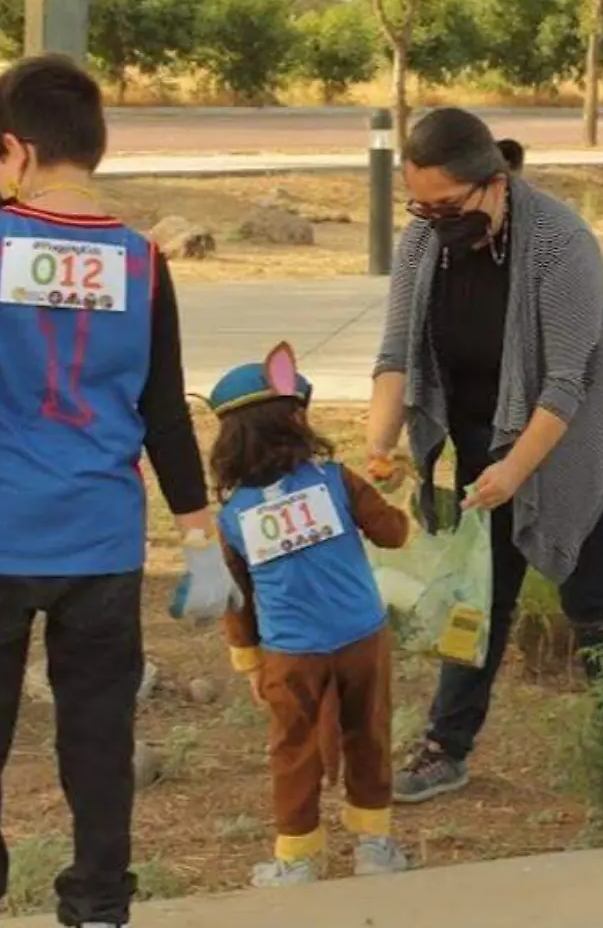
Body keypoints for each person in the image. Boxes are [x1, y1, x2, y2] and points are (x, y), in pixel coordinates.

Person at [0, 53, 240, 928]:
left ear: (14, 149)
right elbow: (165, 413)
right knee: (98, 735)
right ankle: (100, 906)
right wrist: (197, 538)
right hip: (101, 545)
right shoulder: (143, 262)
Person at [367, 107, 603, 803]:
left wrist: (514, 473)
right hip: (481, 427)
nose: (433, 220)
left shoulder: (558, 242)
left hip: (579, 431)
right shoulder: (422, 241)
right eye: (420, 206)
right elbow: (396, 353)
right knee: (478, 590)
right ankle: (445, 746)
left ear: (494, 183)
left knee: (594, 594)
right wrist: (378, 446)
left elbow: (566, 382)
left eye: (447, 205)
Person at [206, 342, 412, 887]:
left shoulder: (231, 518)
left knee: (291, 749)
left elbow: (235, 598)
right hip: (362, 638)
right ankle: (375, 846)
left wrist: (250, 664)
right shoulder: (337, 480)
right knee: (368, 733)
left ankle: (296, 859)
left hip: (288, 650)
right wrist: (397, 495)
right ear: (296, 420)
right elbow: (392, 534)